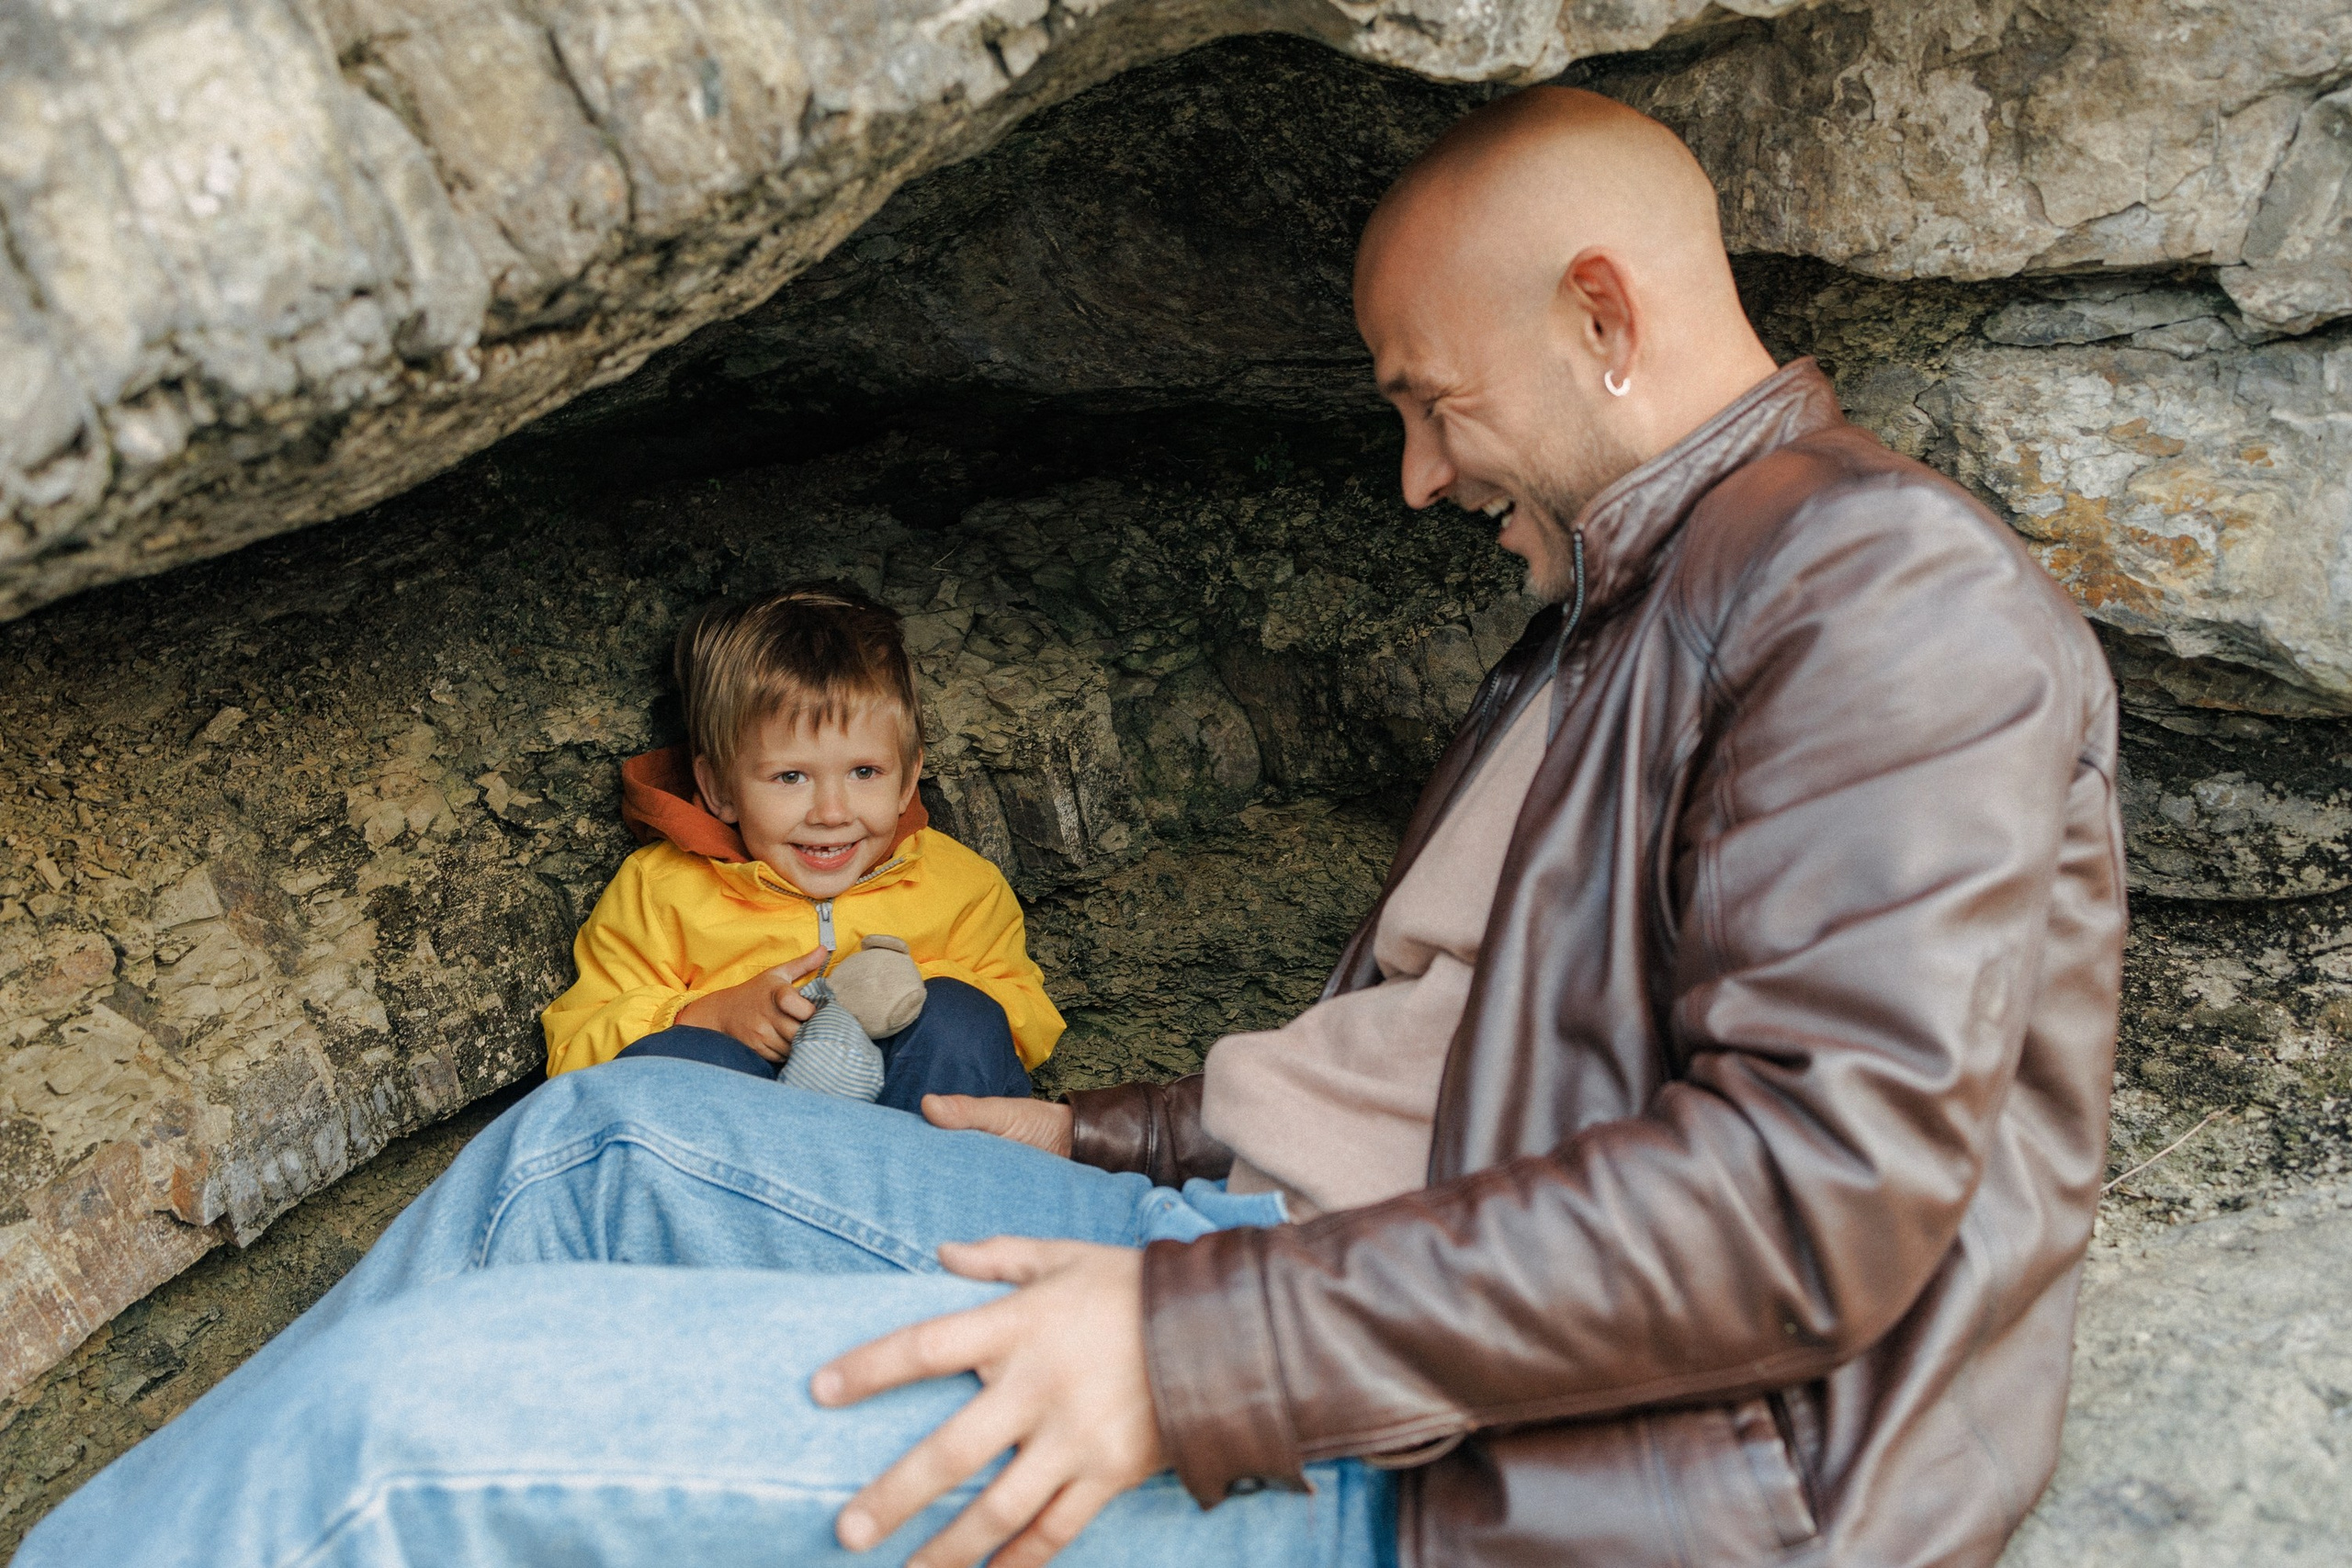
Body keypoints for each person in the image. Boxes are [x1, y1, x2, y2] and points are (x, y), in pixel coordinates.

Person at [13, 85, 2123, 1568]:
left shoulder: (1878, 596)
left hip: (1505, 1482)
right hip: (1299, 1297)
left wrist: (1187, 1349)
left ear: (1598, 314)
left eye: (1425, 396)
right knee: (604, 1144)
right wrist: (1108, 1137)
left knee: (400, 1442)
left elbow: (1809, 1193)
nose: (1412, 472)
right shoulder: (1626, 601)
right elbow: (1449, 1076)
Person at [542, 584, 1058, 1107]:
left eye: (864, 772)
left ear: (907, 780)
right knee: (688, 1055)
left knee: (959, 1016)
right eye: (790, 777)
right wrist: (707, 1015)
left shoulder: (959, 883)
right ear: (720, 788)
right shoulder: (658, 891)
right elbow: (574, 1048)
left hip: (914, 1130)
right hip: (748, 1137)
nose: (831, 813)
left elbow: (1030, 1018)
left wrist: (906, 987)